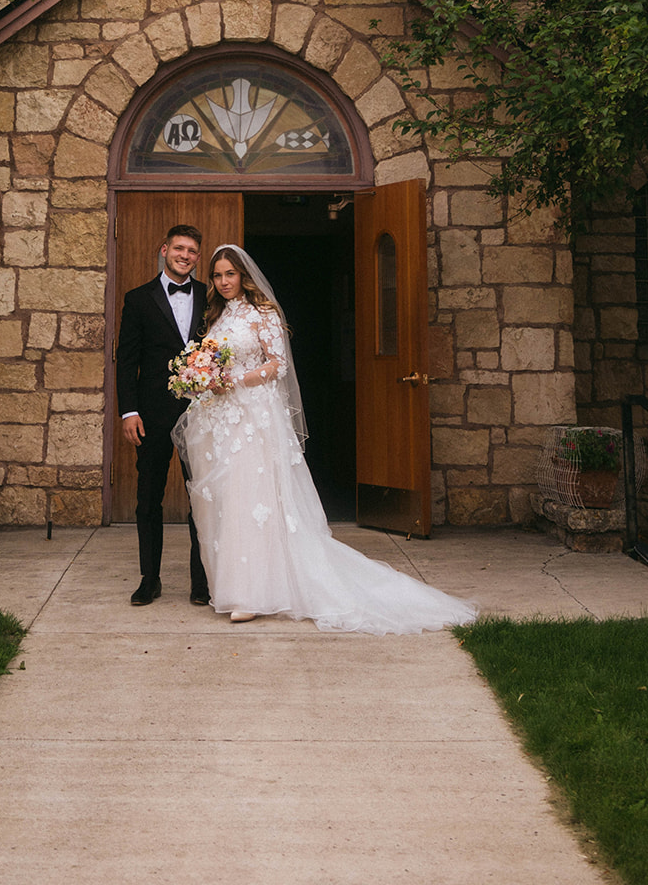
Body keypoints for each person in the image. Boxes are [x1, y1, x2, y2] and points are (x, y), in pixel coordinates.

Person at [174, 244, 478, 635]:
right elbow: (216, 360)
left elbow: (277, 364)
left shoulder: (263, 314)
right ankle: (233, 587)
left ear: (243, 276)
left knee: (254, 499)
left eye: (229, 274)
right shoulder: (216, 317)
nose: (223, 281)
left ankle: (254, 594)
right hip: (223, 420)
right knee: (231, 501)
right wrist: (204, 376)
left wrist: (236, 380)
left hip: (253, 417)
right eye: (217, 276)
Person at [117, 224, 210, 608]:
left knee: (202, 499)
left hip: (203, 414)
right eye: (179, 248)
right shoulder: (138, 299)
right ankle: (149, 579)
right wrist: (128, 411)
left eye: (191, 251)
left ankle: (201, 582)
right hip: (152, 415)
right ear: (164, 249)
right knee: (148, 498)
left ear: (198, 257)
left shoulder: (210, 296)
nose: (184, 255)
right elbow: (127, 361)